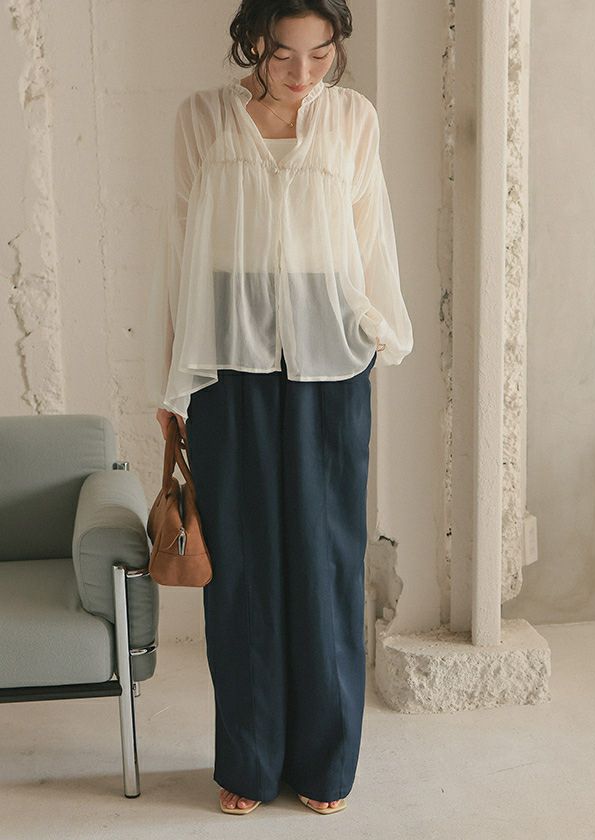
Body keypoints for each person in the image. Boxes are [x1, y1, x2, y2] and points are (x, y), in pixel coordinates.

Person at [146, 0, 413, 817]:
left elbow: (371, 234)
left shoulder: (353, 120)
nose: (303, 73)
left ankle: (326, 766)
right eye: (285, 54)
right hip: (228, 364)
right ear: (253, 43)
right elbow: (180, 248)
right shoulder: (201, 120)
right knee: (242, 568)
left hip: (331, 362)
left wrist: (376, 329)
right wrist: (171, 381)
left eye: (320, 55)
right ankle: (250, 761)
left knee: (328, 561)